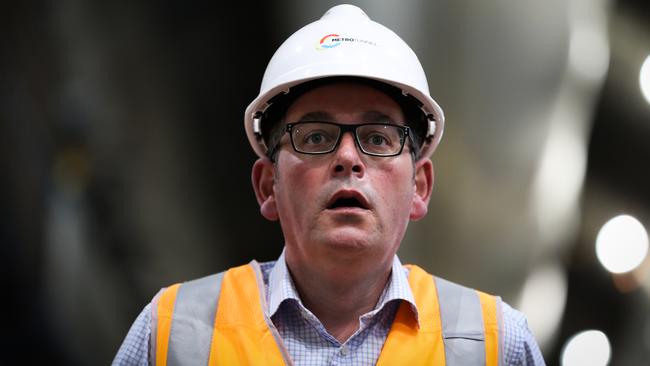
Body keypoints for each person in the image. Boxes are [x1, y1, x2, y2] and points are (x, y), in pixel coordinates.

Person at [113, 4, 545, 365]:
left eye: (377, 139)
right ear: (268, 186)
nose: (347, 158)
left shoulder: (494, 344)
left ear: (419, 185)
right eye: (315, 137)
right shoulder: (172, 334)